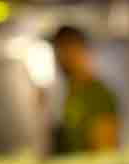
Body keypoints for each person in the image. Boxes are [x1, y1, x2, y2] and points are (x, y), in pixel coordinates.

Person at [51, 26, 119, 154]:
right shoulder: (70, 94)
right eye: (57, 51)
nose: (60, 58)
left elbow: (105, 153)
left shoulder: (99, 95)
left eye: (64, 49)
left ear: (80, 49)